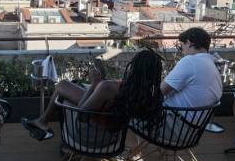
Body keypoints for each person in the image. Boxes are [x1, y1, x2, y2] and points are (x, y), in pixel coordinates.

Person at [21, 49, 164, 142]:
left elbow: (82, 114)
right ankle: (42, 121)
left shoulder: (109, 87)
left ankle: (61, 141)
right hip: (115, 138)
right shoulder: (150, 94)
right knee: (63, 85)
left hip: (90, 135)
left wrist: (95, 83)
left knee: (63, 95)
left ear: (133, 67)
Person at [161, 27, 223, 109]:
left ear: (189, 43)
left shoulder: (190, 61)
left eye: (181, 47)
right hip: (199, 119)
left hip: (176, 118)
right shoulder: (211, 62)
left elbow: (161, 90)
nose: (182, 52)